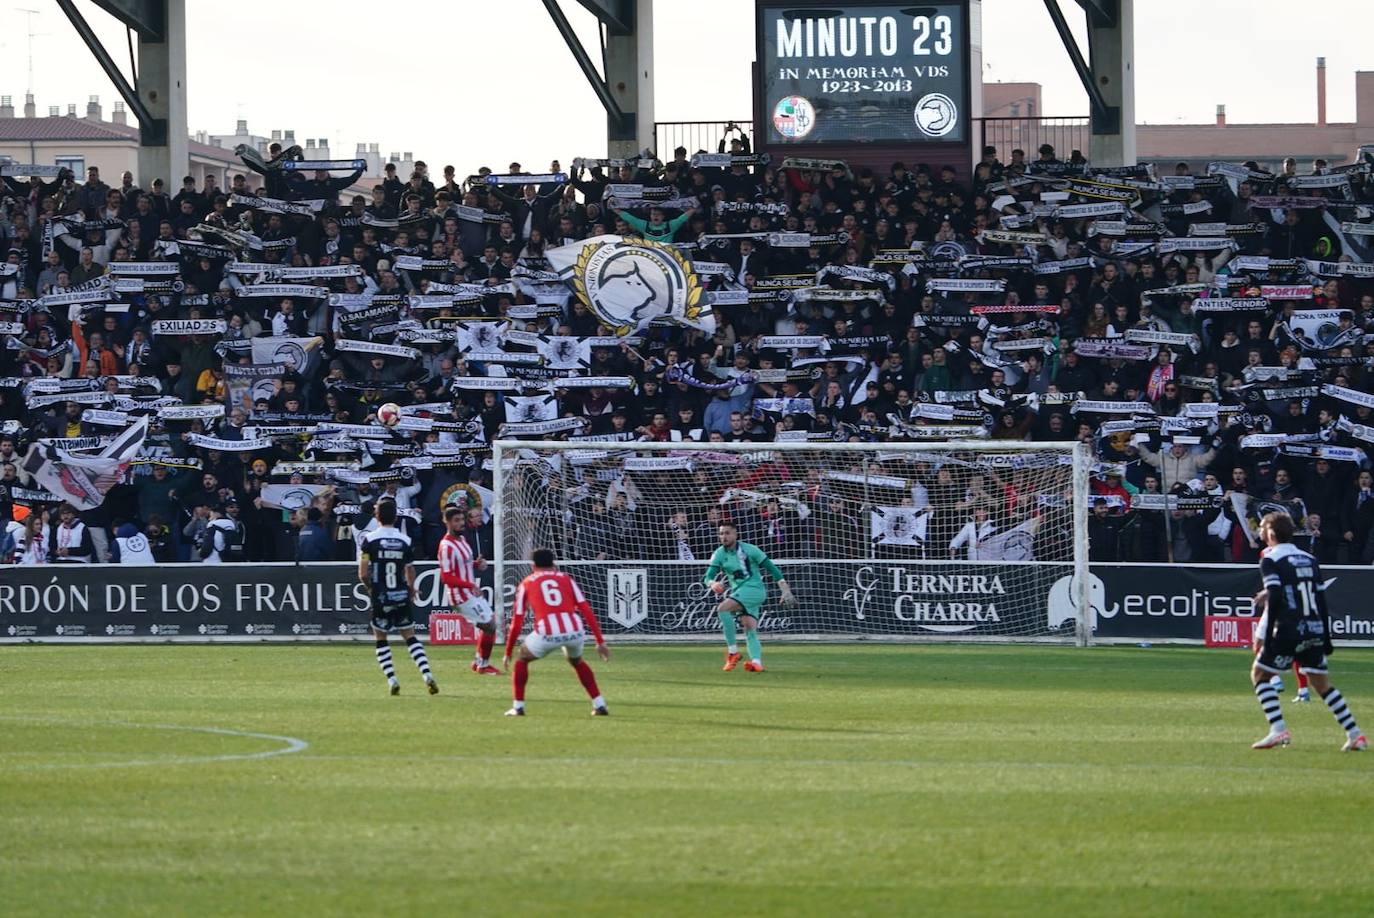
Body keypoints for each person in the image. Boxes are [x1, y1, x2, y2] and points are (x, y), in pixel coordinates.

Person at [1248, 512, 1365, 752]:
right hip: (1313, 627)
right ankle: (1355, 734)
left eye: (1261, 526)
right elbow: (1321, 599)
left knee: (1260, 676)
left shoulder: (1270, 559)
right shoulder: (1309, 559)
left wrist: (1269, 636)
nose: (1259, 530)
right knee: (1322, 685)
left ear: (1270, 533)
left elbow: (1277, 595)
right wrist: (1326, 636)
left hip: (1289, 629)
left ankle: (1278, 730)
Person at [502, 547, 610, 717]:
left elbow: (517, 621)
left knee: (521, 660)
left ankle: (518, 707)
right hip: (574, 630)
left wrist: (507, 651)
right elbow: (585, 609)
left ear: (532, 565)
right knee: (577, 662)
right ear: (553, 563)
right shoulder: (566, 578)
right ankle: (599, 704)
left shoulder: (527, 582)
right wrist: (600, 641)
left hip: (547, 632)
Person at [358, 500, 438, 696]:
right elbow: (410, 569)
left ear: (376, 516)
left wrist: (371, 590)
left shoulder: (369, 540)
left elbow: (363, 573)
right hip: (400, 594)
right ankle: (426, 674)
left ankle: (392, 679)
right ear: (395, 517)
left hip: (381, 596)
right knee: (410, 636)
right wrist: (411, 589)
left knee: (381, 638)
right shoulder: (405, 541)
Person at [703, 520, 796, 673]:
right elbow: (708, 577)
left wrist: (785, 589)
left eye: (727, 533)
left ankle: (733, 653)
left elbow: (772, 569)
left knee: (722, 609)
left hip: (754, 590)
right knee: (749, 628)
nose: (724, 536)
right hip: (740, 592)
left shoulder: (750, 550)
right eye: (721, 533)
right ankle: (757, 663)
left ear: (735, 534)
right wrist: (712, 583)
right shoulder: (719, 553)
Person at [437, 506, 501, 675]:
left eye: (462, 519)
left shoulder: (463, 540)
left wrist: (476, 564)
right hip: (460, 596)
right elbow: (446, 577)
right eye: (456, 520)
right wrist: (470, 585)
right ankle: (483, 665)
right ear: (447, 522)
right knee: (489, 626)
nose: (461, 523)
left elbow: (464, 564)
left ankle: (479, 663)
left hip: (471, 593)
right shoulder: (446, 546)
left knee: (490, 625)